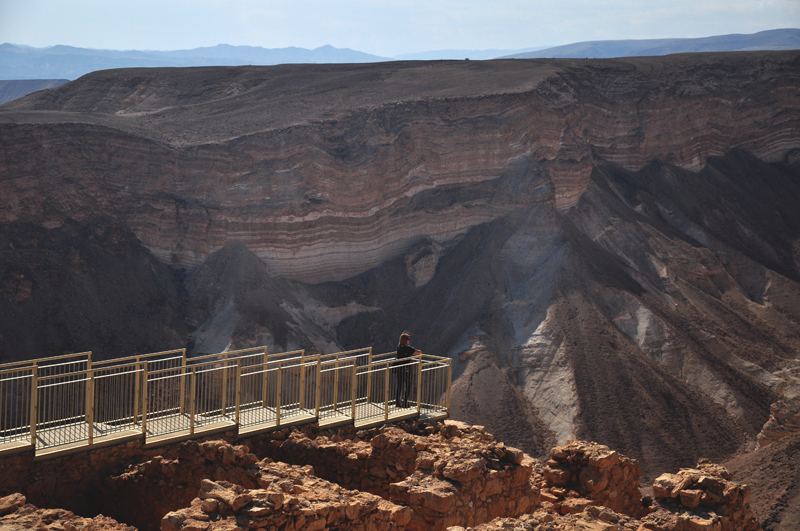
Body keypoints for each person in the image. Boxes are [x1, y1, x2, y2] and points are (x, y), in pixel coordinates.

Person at [394, 333, 421, 409]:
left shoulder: (398, 347)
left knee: (399, 385)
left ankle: (397, 403)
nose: (409, 341)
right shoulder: (407, 348)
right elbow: (418, 352)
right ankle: (404, 402)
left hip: (399, 368)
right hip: (406, 369)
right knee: (408, 385)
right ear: (406, 341)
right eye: (408, 339)